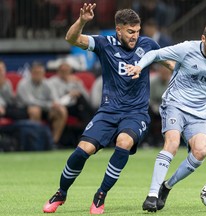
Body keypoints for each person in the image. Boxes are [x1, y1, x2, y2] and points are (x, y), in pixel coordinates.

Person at [43, 3, 173, 214]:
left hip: (136, 113)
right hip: (108, 111)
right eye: (130, 31)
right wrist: (83, 21)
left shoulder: (148, 45)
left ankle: (101, 194)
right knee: (83, 150)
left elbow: (171, 64)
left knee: (123, 142)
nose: (135, 36)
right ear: (118, 29)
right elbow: (71, 39)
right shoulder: (105, 43)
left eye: (137, 31)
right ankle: (61, 192)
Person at [127, 20, 206, 212]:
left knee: (201, 152)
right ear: (203, 38)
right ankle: (152, 195)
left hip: (199, 111)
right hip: (175, 104)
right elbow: (155, 54)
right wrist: (139, 66)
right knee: (171, 144)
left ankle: (166, 187)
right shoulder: (186, 49)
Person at [16, 61, 67, 145]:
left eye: (40, 72)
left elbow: (55, 99)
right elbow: (30, 101)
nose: (38, 75)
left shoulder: (48, 83)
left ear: (44, 73)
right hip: (24, 110)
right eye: (35, 72)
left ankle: (53, 142)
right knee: (35, 110)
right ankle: (37, 142)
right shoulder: (23, 84)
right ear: (31, 73)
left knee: (61, 110)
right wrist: (50, 105)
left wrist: (55, 104)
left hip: (45, 109)